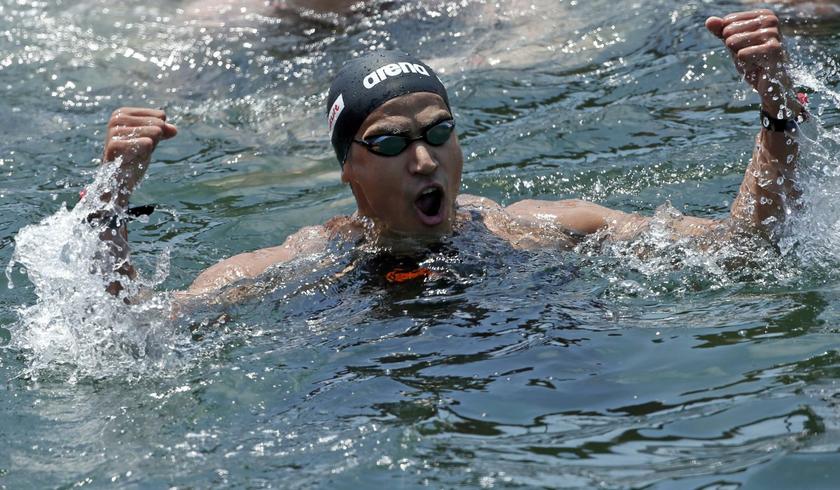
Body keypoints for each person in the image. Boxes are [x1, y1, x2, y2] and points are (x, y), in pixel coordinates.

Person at [81, 8, 807, 299]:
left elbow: (747, 252)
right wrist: (107, 206)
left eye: (437, 134)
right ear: (349, 170)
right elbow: (139, 337)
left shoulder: (533, 227)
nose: (424, 161)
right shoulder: (303, 263)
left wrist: (777, 111)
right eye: (392, 144)